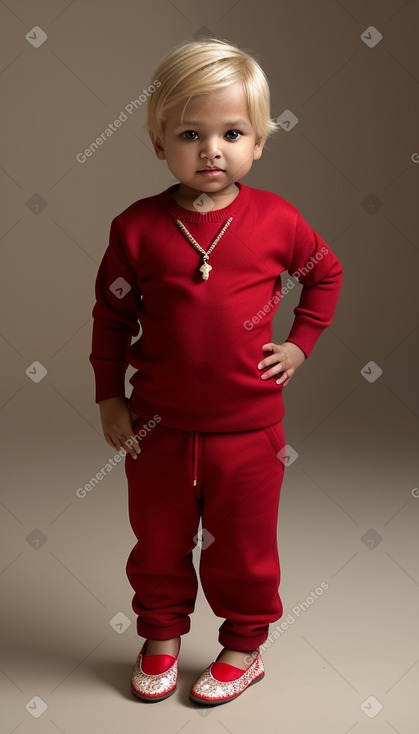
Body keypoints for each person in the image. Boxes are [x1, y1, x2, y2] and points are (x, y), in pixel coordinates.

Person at [89, 37, 343, 706]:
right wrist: (108, 399)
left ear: (257, 142)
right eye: (189, 133)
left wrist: (299, 344)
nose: (211, 149)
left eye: (232, 133)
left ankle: (243, 645)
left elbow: (324, 275)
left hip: (249, 431)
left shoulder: (276, 219)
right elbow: (110, 320)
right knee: (158, 543)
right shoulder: (136, 228)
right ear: (157, 142)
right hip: (158, 429)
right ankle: (161, 637)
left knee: (243, 547)